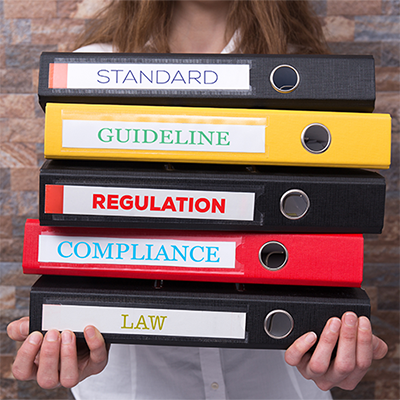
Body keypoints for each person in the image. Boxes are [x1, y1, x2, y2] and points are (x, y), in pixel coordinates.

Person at [7, 0, 388, 399]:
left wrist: (332, 349)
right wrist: (69, 330)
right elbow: (74, 230)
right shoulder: (92, 73)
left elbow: (325, 251)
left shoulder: (306, 79)